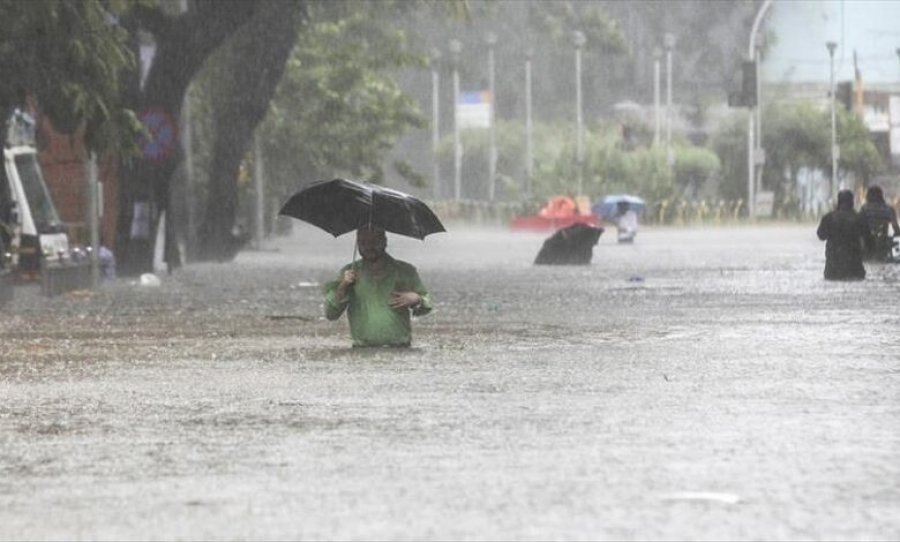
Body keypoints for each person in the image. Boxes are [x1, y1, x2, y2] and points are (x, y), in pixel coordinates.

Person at [324, 226, 432, 347]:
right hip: (362, 350)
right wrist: (343, 286)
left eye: (374, 241)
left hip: (400, 349)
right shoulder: (349, 273)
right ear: (357, 243)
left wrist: (416, 299)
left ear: (384, 241)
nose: (369, 247)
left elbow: (427, 305)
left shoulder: (405, 271)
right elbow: (330, 314)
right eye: (363, 242)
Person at [816, 190, 869, 281]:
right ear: (852, 202)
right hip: (854, 266)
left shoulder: (829, 217)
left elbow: (821, 235)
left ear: (839, 202)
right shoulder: (859, 218)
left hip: (833, 266)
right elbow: (868, 238)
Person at [858, 185, 900, 262]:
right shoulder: (888, 209)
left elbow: (859, 227)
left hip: (867, 243)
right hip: (883, 243)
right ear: (881, 196)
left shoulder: (864, 209)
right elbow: (896, 230)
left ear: (868, 196)